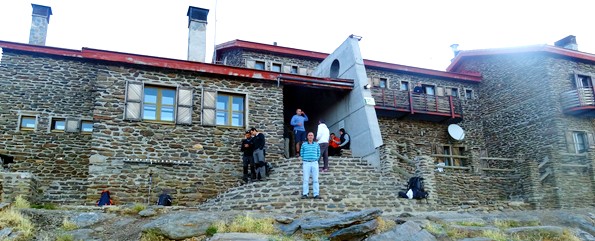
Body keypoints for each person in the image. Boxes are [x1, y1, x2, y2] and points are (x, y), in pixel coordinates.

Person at [300, 132, 321, 199]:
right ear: (307, 137)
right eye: (309, 135)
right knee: (306, 179)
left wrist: (316, 159)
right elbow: (301, 153)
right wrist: (304, 159)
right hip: (306, 163)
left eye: (312, 135)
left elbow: (318, 153)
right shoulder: (304, 144)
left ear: (313, 137)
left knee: (315, 179)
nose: (310, 136)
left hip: (314, 163)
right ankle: (305, 194)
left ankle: (316, 194)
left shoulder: (316, 145)